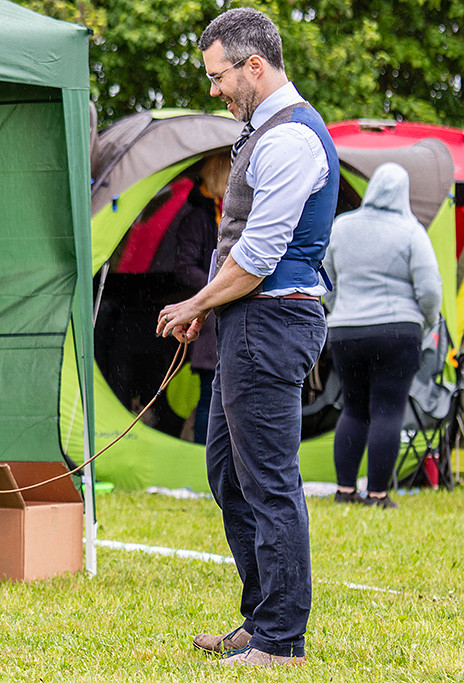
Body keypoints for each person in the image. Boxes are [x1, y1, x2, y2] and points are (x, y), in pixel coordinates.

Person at [156, 8, 339, 667]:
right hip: (248, 320)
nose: (214, 90)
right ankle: (262, 619)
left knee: (267, 478)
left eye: (218, 76)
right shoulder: (265, 132)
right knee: (229, 472)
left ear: (253, 65)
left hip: (272, 320)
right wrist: (211, 307)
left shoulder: (290, 139)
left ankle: (282, 641)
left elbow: (259, 254)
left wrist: (195, 302)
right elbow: (242, 246)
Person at [323, 163, 441, 509]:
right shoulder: (410, 230)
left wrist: (339, 308)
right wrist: (427, 321)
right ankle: (377, 494)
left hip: (346, 331)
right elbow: (430, 288)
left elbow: (325, 280)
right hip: (397, 331)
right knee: (388, 410)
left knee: (353, 407)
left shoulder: (342, 227)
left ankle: (345, 491)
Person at [172, 153, 231, 443]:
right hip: (209, 321)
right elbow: (184, 267)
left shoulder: (233, 212)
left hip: (233, 315)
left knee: (232, 399)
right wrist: (217, 289)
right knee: (211, 397)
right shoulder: (199, 216)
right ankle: (202, 458)